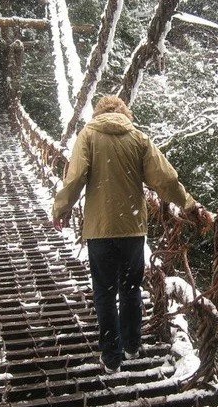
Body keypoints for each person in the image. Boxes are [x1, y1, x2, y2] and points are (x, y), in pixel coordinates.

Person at [52, 95, 198, 374]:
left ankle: (111, 357)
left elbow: (75, 177)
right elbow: (164, 179)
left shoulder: (88, 136)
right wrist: (186, 202)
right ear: (124, 113)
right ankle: (132, 344)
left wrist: (61, 209)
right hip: (132, 229)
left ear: (98, 113)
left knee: (105, 294)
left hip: (100, 230)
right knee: (131, 288)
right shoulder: (138, 138)